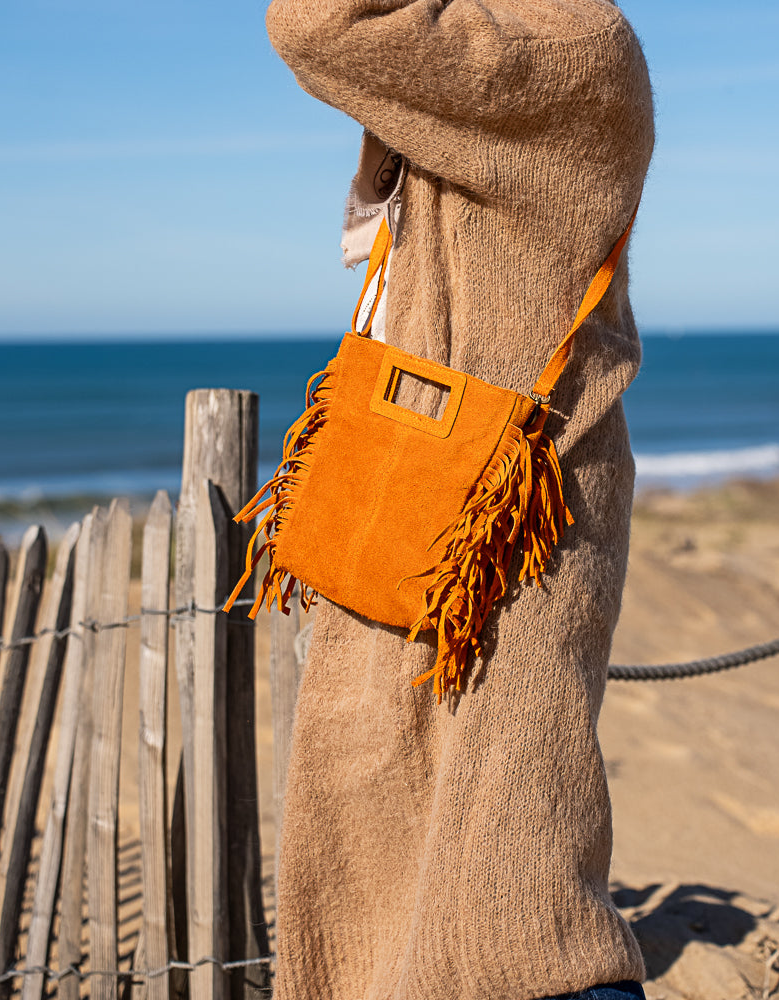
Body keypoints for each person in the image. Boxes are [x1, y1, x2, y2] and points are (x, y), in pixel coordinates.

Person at [264, 0, 655, 995]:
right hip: (415, 472)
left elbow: (314, 24)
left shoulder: (572, 45)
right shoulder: (489, 49)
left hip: (517, 515)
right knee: (377, 826)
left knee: (519, 872)